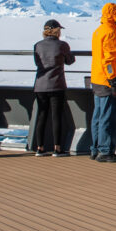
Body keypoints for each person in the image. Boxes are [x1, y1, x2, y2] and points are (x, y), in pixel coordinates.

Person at [33, 19, 75, 157]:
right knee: (56, 116)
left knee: (42, 115)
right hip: (57, 84)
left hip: (40, 85)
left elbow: (37, 62)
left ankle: (40, 147)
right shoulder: (62, 45)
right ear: (57, 31)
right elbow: (70, 61)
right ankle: (57, 148)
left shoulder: (37, 46)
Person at [90, 3, 116, 163]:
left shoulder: (99, 31)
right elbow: (109, 60)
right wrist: (113, 81)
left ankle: (95, 148)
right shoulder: (111, 32)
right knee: (106, 116)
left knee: (97, 116)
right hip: (106, 80)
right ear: (112, 14)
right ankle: (105, 151)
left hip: (96, 78)